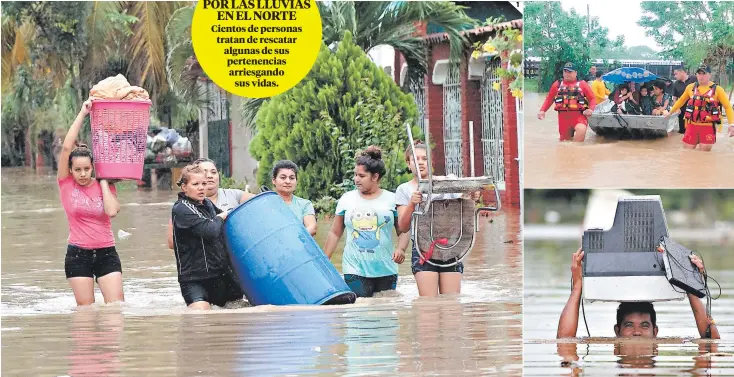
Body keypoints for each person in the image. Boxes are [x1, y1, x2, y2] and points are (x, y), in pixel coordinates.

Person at [557, 249, 720, 339]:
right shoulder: (603, 343)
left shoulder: (669, 343)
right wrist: (577, 286)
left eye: (644, 325)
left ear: (655, 332)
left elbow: (711, 343)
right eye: (629, 325)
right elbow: (564, 344)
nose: (637, 332)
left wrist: (690, 284)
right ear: (617, 331)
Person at [57, 100, 124, 306]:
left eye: (87, 169)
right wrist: (82, 113)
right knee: (85, 313)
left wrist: (103, 181)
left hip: (107, 252)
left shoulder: (106, 185)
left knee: (116, 309)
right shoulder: (66, 184)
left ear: (93, 167)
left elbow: (111, 211)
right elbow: (68, 146)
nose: (83, 174)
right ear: (71, 170)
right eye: (77, 170)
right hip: (78, 254)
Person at [395, 141, 481, 296]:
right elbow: (403, 226)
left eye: (424, 159)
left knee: (451, 305)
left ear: (431, 162)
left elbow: (465, 201)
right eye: (416, 159)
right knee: (429, 306)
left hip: (451, 247)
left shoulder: (448, 182)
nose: (420, 162)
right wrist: (411, 204)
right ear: (408, 163)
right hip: (423, 250)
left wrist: (473, 195)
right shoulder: (404, 190)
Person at [323, 146, 409, 298]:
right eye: (355, 175)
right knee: (359, 311)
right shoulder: (347, 199)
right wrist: (325, 259)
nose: (356, 179)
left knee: (385, 314)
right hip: (354, 269)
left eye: (361, 176)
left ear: (375, 177)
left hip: (386, 268)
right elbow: (335, 232)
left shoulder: (392, 199)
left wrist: (401, 249)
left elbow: (403, 229)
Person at [170, 164, 244, 309]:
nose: (201, 188)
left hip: (221, 276)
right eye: (195, 184)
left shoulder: (208, 203)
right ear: (184, 187)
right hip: (194, 279)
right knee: (201, 316)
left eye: (204, 184)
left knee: (238, 311)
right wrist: (221, 216)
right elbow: (209, 230)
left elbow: (229, 223)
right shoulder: (181, 208)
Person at [167, 158, 254, 249]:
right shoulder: (183, 208)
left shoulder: (233, 195)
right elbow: (172, 243)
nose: (209, 176)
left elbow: (261, 202)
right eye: (205, 173)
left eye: (213, 172)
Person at [668, 64, 734, 151]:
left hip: (707, 127)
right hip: (691, 126)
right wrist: (670, 113)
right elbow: (681, 101)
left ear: (710, 75)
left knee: (704, 155)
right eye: (699, 74)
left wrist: (731, 124)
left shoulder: (718, 89)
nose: (701, 76)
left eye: (704, 74)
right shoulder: (690, 87)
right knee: (687, 153)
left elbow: (728, 107)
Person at [537, 62, 597, 142]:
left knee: (581, 130)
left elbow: (592, 98)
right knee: (564, 142)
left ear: (575, 73)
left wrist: (591, 109)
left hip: (579, 116)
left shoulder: (582, 84)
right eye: (565, 71)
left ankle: (577, 152)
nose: (567, 74)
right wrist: (542, 110)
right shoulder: (557, 84)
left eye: (570, 72)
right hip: (563, 118)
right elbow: (549, 98)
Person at [269, 160, 317, 236]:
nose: (288, 181)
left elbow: (312, 228)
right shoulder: (266, 204)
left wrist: (293, 238)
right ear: (274, 181)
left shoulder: (305, 204)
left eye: (292, 178)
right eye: (283, 177)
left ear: (296, 181)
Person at [672, 67, 696, 134]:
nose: (675, 76)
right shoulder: (676, 83)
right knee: (682, 131)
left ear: (682, 72)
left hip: (694, 108)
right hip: (682, 109)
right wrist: (677, 108)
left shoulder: (694, 79)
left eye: (676, 74)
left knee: (693, 130)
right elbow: (674, 97)